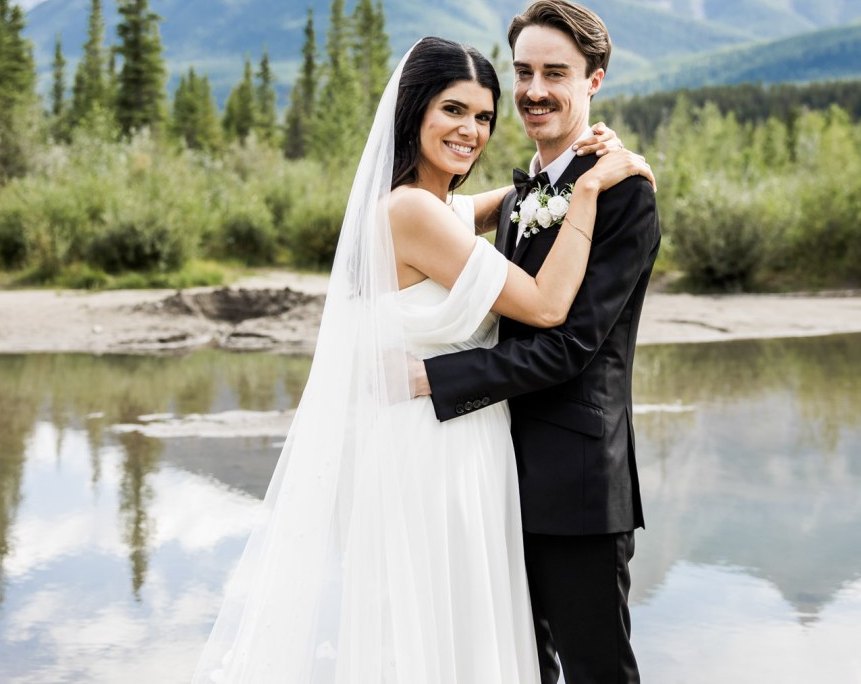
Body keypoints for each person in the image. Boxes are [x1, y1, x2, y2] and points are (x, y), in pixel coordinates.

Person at [193, 35, 653, 683]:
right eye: (453, 110)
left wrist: (571, 166)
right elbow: (549, 309)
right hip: (435, 451)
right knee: (448, 633)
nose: (472, 130)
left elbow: (506, 204)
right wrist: (586, 192)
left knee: (447, 628)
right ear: (414, 113)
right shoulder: (413, 212)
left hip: (452, 443)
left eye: (485, 117)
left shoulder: (432, 208)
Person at [416, 0, 662, 684]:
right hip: (493, 471)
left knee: (596, 673)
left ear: (595, 80)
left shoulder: (623, 196)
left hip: (578, 485)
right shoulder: (528, 190)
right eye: (523, 72)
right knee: (518, 669)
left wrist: (435, 378)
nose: (533, 91)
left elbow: (571, 346)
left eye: (556, 72)